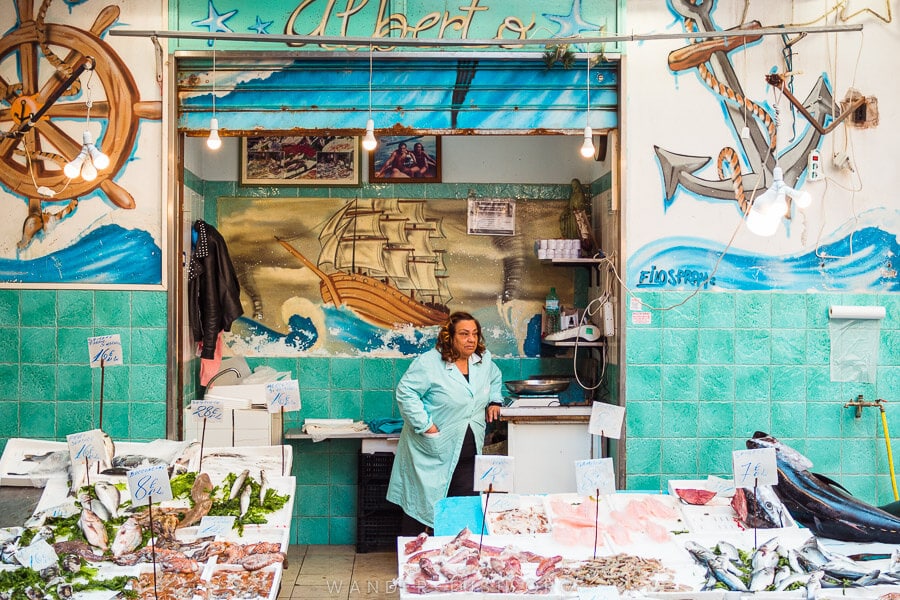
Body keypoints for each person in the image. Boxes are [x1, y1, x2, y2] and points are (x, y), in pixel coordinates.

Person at [387, 311, 504, 535]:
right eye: (464, 334)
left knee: (462, 504)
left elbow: (495, 377)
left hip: (468, 451)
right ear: (450, 336)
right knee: (423, 505)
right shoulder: (430, 363)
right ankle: (414, 558)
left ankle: (456, 560)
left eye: (475, 334)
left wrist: (494, 401)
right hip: (433, 450)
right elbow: (405, 392)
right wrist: (425, 425)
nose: (471, 339)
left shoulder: (483, 360)